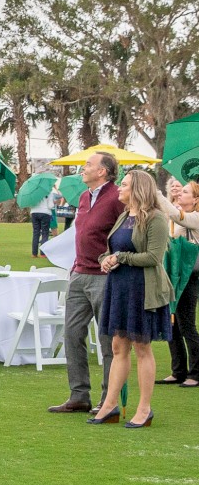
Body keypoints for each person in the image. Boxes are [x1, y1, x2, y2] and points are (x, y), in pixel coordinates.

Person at [88, 169, 174, 428]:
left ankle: (144, 409)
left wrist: (120, 258)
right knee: (117, 347)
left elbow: (153, 258)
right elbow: (111, 249)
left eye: (123, 185)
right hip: (120, 287)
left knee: (142, 347)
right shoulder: (124, 216)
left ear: (137, 189)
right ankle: (110, 405)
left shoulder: (156, 218)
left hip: (143, 290)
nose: (119, 189)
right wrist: (105, 260)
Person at [49, 151, 121, 414]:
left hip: (105, 277)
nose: (83, 168)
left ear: (102, 171)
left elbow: (127, 234)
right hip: (79, 273)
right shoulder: (82, 197)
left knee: (108, 341)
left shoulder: (116, 197)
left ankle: (108, 399)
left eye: (88, 165)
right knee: (71, 334)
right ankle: (79, 395)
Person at [157, 180, 199, 388]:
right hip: (172, 276)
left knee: (186, 324)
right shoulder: (176, 217)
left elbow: (177, 216)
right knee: (171, 324)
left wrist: (157, 194)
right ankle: (178, 370)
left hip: (189, 277)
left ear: (196, 199)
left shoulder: (195, 218)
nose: (179, 194)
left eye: (185, 192)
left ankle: (196, 372)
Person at [30, 189, 55, 257]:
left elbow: (30, 203)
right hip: (45, 213)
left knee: (36, 233)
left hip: (34, 212)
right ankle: (43, 253)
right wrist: (53, 205)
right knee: (45, 233)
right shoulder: (48, 191)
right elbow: (50, 205)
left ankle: (34, 253)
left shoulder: (32, 191)